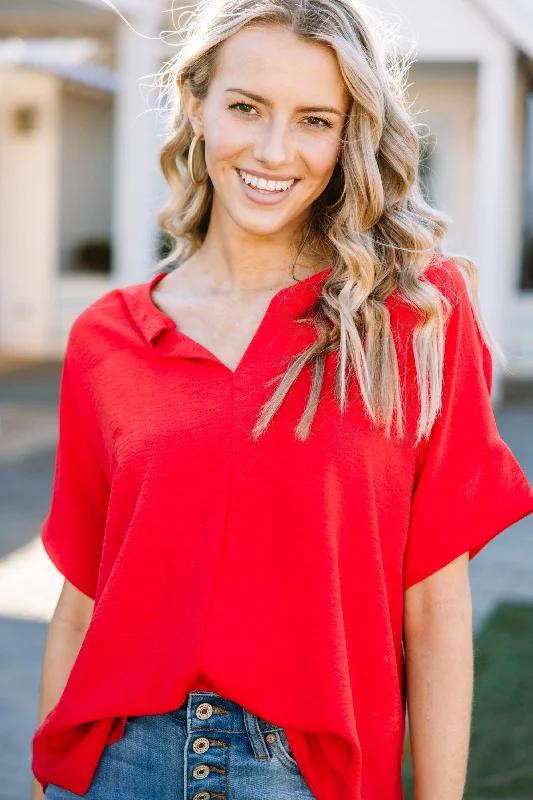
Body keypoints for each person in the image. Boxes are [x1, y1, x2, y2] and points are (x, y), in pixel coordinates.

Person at [31, 0, 533, 798]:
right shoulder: (109, 338)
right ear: (194, 103)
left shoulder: (415, 313)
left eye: (313, 120)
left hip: (306, 776)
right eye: (245, 107)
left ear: (348, 136)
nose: (274, 151)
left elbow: (435, 610)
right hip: (117, 766)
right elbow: (80, 605)